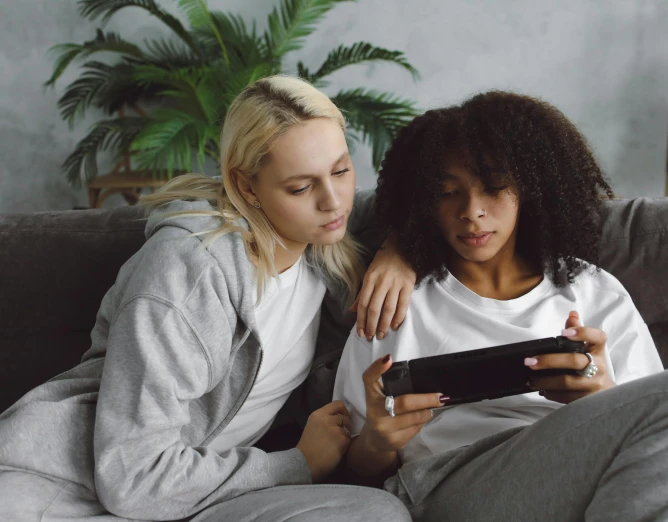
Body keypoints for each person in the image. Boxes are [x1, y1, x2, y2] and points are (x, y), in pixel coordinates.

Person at [333, 91, 668, 522]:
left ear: (530, 189)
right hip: (452, 482)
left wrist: (601, 396)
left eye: (494, 188)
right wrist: (377, 440)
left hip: (588, 473)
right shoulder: (393, 301)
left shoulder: (592, 290)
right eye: (448, 192)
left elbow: (666, 436)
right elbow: (346, 474)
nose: (472, 211)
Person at [0, 76, 413, 521]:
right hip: (64, 490)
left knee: (375, 513)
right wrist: (298, 464)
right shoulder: (190, 270)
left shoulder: (325, 231)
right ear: (248, 186)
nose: (334, 201)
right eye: (300, 187)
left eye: (341, 170)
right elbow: (133, 477)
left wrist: (401, 251)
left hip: (196, 494)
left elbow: (422, 196)